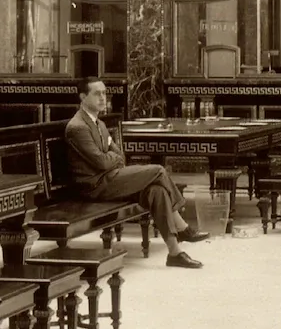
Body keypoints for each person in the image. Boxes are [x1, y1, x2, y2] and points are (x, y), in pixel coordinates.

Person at [64, 78, 206, 268]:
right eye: (96, 94)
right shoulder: (77, 127)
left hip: (109, 178)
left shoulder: (99, 123)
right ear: (83, 97)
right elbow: (101, 161)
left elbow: (118, 155)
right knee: (158, 170)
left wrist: (110, 158)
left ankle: (174, 252)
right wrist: (110, 158)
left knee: (157, 191)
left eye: (104, 93)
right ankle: (182, 227)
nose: (102, 98)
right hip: (94, 186)